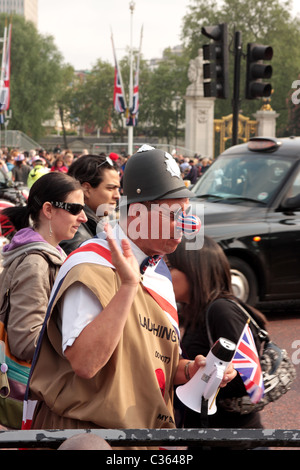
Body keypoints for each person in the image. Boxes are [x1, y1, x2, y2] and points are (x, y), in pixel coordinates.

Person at [23, 146, 236, 448]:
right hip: (91, 435)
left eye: (187, 213)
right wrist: (127, 287)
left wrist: (191, 369)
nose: (187, 226)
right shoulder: (91, 266)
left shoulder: (159, 273)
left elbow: (148, 365)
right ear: (138, 214)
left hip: (142, 438)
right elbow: (85, 363)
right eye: (175, 214)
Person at [0, 172, 88, 428]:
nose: (83, 217)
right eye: (75, 209)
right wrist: (78, 343)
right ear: (48, 210)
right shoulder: (36, 263)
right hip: (29, 395)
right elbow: (25, 341)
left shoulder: (48, 255)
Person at [166, 236, 268, 448]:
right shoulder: (197, 311)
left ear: (194, 271)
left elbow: (247, 379)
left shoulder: (221, 310)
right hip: (211, 435)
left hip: (233, 440)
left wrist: (204, 377)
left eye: (169, 266)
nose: (163, 273)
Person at [60, 154, 120, 254]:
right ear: (86, 189)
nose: (117, 195)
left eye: (117, 188)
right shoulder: (77, 238)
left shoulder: (86, 229)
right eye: (110, 188)